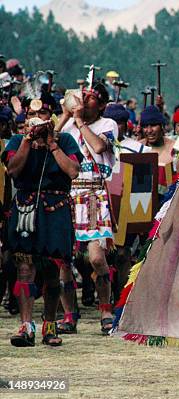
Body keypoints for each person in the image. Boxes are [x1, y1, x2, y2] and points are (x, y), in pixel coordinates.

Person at [3, 117, 82, 346]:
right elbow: (13, 170)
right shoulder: (17, 141)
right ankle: (26, 325)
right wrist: (27, 140)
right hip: (25, 208)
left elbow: (73, 171)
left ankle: (50, 324)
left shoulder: (65, 140)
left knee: (51, 269)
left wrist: (52, 145)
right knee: (25, 267)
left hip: (55, 211)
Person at [54, 81, 118, 335]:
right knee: (62, 259)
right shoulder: (68, 122)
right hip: (68, 195)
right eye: (84, 96)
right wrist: (67, 114)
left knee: (96, 257)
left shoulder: (107, 124)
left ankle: (106, 310)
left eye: (91, 98)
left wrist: (79, 122)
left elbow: (100, 147)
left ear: (102, 105)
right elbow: (49, 139)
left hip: (93, 195)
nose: (85, 101)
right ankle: (70, 314)